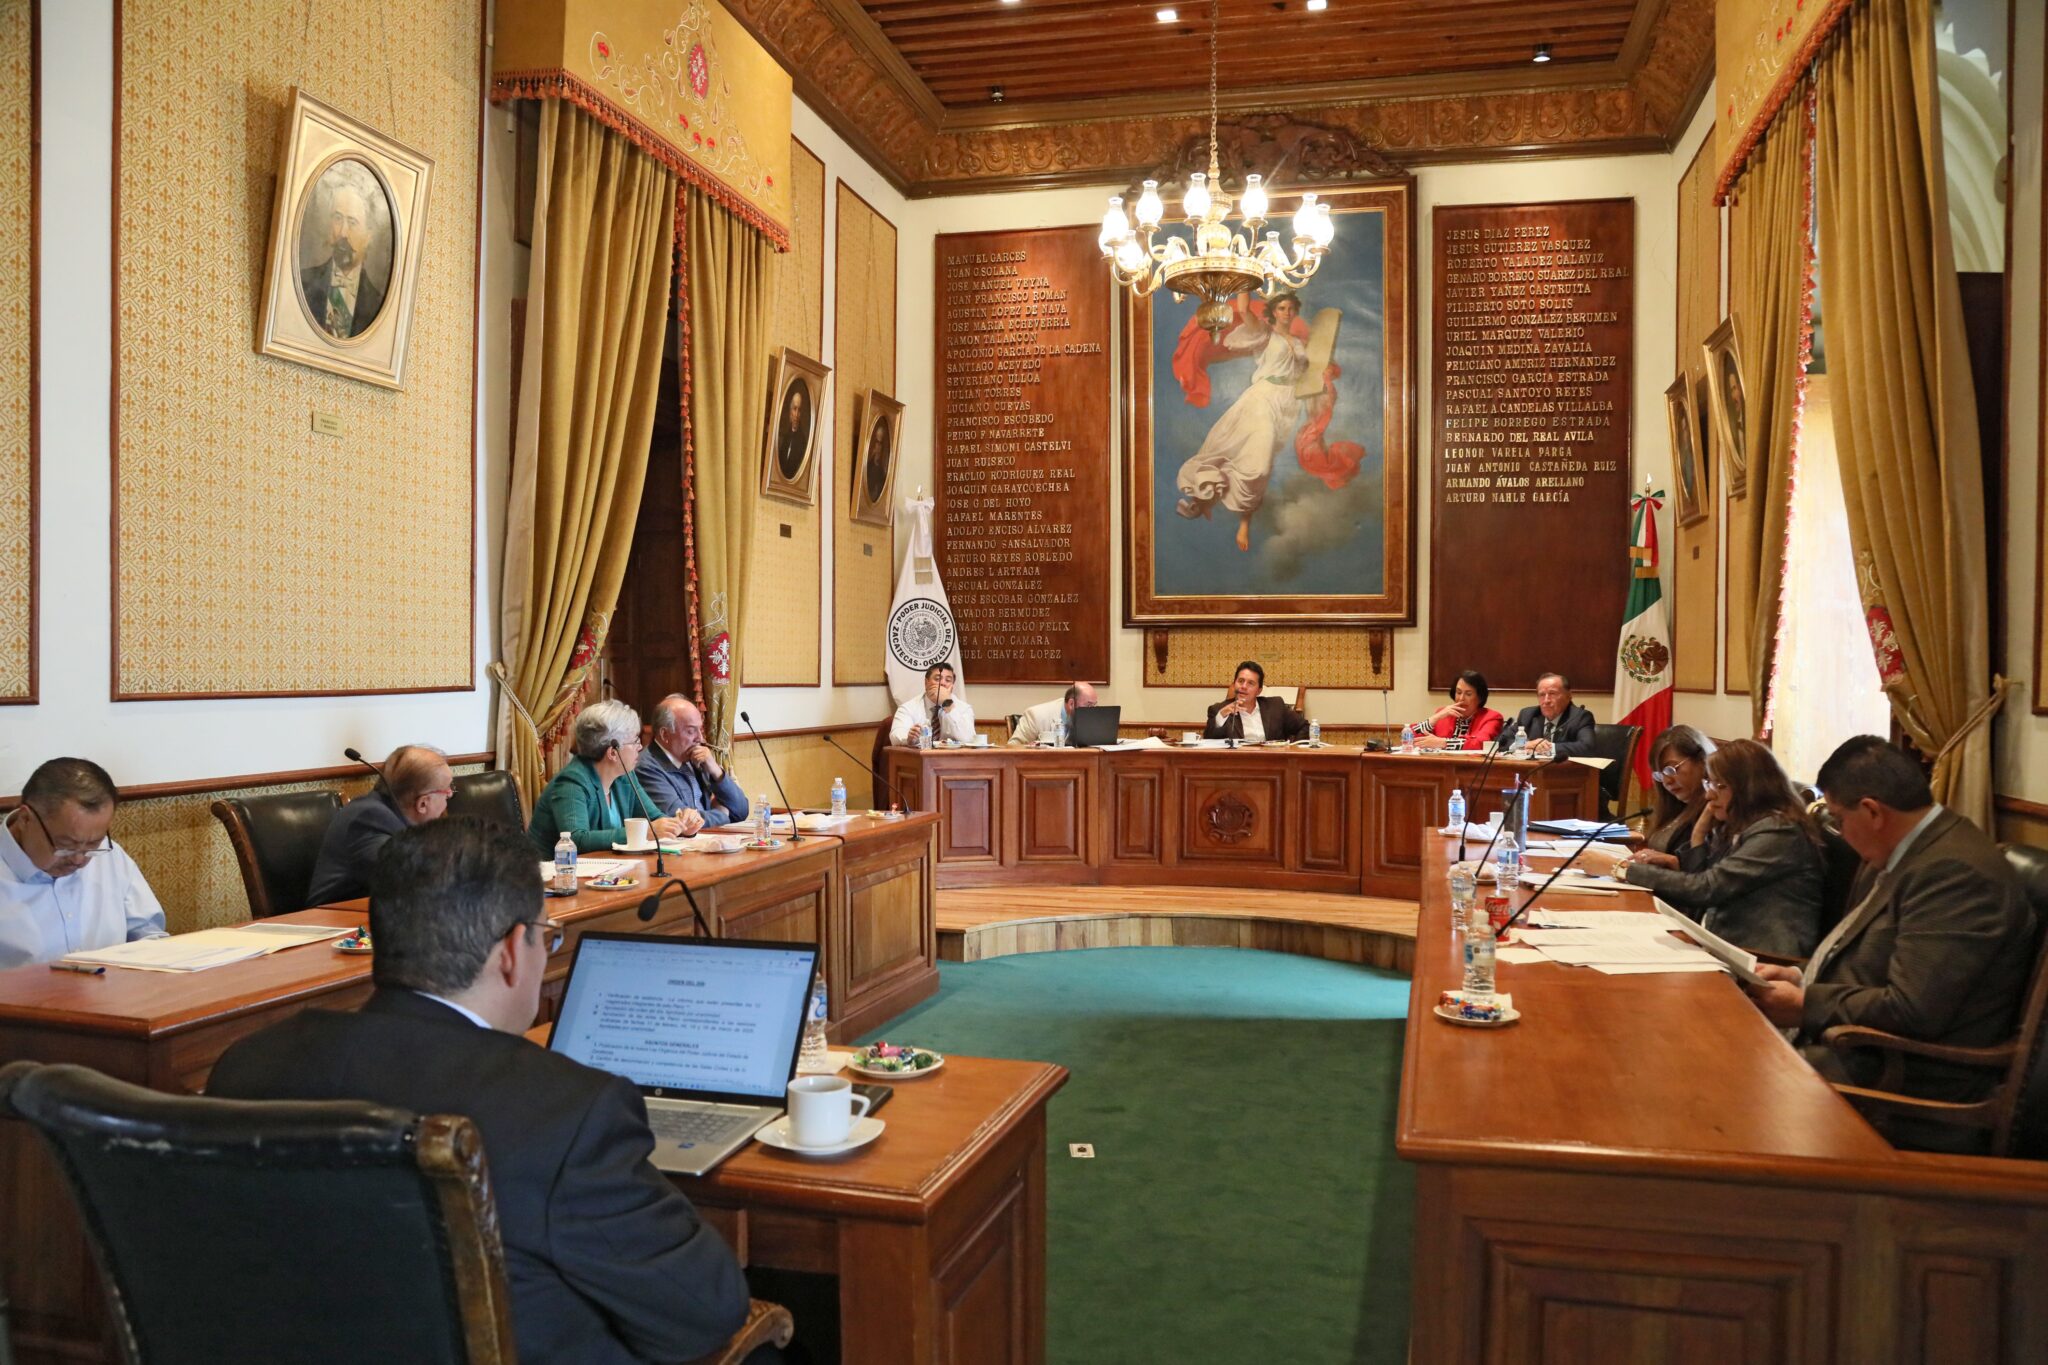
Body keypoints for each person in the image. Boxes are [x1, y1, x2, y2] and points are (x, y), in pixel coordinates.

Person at [208, 819, 757, 1363]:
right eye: (547, 936)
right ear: (513, 951)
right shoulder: (565, 1111)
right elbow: (705, 1308)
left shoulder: (245, 1069)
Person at [1745, 736, 2037, 1135]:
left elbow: (1912, 1009)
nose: (1839, 831)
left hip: (1907, 1076)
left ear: (1872, 811)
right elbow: (1868, 959)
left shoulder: (1954, 872)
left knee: (1733, 1079)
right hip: (1858, 1048)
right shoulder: (1908, 850)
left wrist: (1805, 1004)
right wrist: (1800, 977)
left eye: (1839, 819)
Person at [1619, 739, 1824, 959]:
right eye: (1709, 784)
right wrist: (1698, 835)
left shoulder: (1778, 832)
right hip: (1725, 945)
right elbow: (1702, 880)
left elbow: (1706, 888)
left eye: (1720, 786)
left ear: (1750, 787)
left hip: (1762, 960)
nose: (1709, 795)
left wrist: (1623, 870)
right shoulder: (1741, 825)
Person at [0, 758, 167, 970]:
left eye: (93, 844)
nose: (79, 860)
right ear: (25, 819)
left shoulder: (110, 855)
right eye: (66, 846)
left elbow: (148, 934)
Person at [1174, 292, 1309, 553]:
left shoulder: (1298, 343)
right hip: (1262, 399)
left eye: (1291, 308)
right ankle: (1209, 499)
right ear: (1274, 312)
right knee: (1253, 463)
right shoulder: (1265, 334)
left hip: (1287, 404)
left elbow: (1305, 373)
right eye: (1282, 308)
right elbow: (1245, 311)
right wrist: (1245, 283)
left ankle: (1238, 517)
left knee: (1259, 465)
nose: (1287, 312)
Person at [528, 701, 687, 854]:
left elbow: (655, 819)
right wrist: (643, 833)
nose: (640, 747)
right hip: (554, 870)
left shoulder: (625, 776)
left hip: (608, 867)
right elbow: (576, 839)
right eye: (635, 741)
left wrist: (682, 826)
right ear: (613, 752)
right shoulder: (571, 782)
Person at [304, 745, 454, 905]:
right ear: (423, 804)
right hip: (334, 918)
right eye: (447, 789)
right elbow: (411, 875)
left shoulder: (388, 813)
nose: (451, 793)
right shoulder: (369, 819)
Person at [634, 695, 749, 831]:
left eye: (700, 730)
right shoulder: (647, 768)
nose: (699, 738)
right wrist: (722, 814)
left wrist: (716, 772)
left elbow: (741, 811)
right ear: (665, 734)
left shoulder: (697, 758)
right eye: (691, 731)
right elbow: (681, 821)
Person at [300, 168, 385, 340]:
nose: (343, 233)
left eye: (352, 222)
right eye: (338, 219)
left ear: (368, 236)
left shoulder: (377, 303)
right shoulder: (303, 281)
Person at [1641, 724, 1719, 871]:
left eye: (1671, 769)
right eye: (1660, 774)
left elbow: (1706, 876)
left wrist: (1672, 862)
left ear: (1702, 760)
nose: (1666, 781)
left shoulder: (1716, 811)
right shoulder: (1676, 807)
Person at [1203, 661, 1309, 743]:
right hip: (1237, 762)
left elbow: (1304, 726)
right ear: (1234, 684)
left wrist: (1293, 751)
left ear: (1259, 691)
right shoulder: (1219, 710)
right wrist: (1221, 717)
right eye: (1240, 681)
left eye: (1250, 683)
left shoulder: (1275, 706)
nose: (1244, 686)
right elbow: (1208, 739)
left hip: (1272, 762)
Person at [1508, 673, 1596, 759]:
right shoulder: (1528, 714)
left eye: (1552, 693)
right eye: (1542, 695)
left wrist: (1546, 748)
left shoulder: (1580, 717)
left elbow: (1587, 747)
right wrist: (1526, 744)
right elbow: (1503, 741)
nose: (1546, 701)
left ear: (1569, 695)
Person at [1413, 671, 1504, 752]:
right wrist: (1434, 718)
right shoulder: (1443, 714)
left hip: (1473, 765)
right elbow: (1411, 736)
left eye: (1468, 694)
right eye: (1458, 692)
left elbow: (1481, 743)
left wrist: (1443, 743)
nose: (1461, 698)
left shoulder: (1492, 717)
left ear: (1480, 697)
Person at [890, 663, 976, 746]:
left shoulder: (964, 708)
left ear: (952, 685)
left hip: (952, 755)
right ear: (926, 682)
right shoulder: (908, 708)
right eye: (937, 679)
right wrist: (908, 738)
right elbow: (895, 735)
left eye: (948, 680)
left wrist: (948, 704)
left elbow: (969, 739)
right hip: (919, 755)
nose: (942, 683)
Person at [1011, 682, 1097, 746]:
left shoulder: (1090, 719)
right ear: (1071, 704)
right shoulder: (1035, 716)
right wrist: (1032, 749)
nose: (1092, 710)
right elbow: (1012, 747)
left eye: (1094, 705)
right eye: (1089, 705)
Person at [773, 379, 813, 482]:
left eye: (799, 410)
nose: (796, 414)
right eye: (794, 409)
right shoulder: (785, 437)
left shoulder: (803, 441)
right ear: (790, 411)